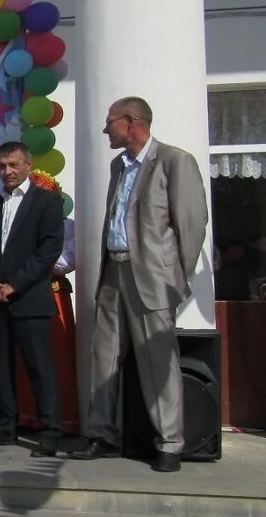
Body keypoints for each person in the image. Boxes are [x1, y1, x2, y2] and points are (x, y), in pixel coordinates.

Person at [70, 97, 207, 473]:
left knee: (157, 360)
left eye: (110, 122)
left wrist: (176, 278)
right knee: (104, 356)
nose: (105, 129)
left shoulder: (174, 161)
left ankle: (169, 444)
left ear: (132, 122)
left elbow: (192, 225)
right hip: (114, 271)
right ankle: (102, 434)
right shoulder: (119, 165)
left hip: (152, 278)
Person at [0, 141, 64, 457]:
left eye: (13, 165)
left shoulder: (48, 202)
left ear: (28, 164)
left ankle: (50, 431)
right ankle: (5, 427)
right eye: (2, 166)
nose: (7, 171)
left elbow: (48, 250)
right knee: (1, 367)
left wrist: (15, 284)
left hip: (29, 300)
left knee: (40, 368)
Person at [14, 170, 79, 435]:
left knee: (54, 357)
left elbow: (67, 261)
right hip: (22, 292)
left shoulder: (67, 226)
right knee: (25, 357)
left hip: (53, 296)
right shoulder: (18, 225)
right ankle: (28, 415)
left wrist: (35, 263)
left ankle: (60, 419)